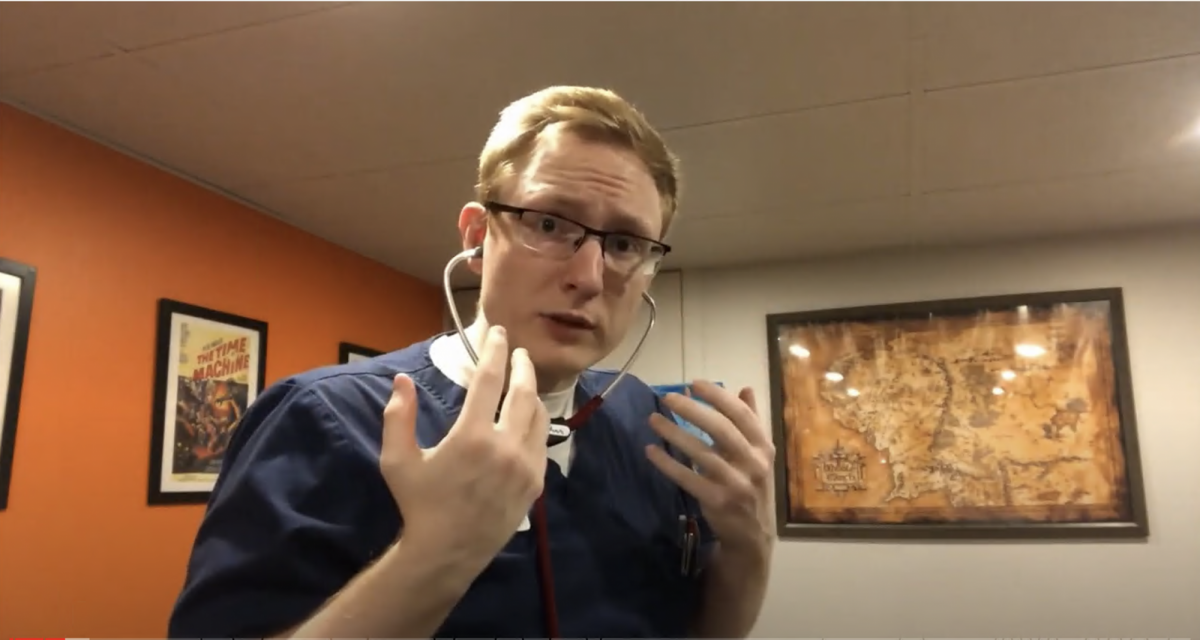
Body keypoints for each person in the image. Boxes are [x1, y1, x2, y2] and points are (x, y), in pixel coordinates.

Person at [166, 85, 777, 638]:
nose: (588, 277)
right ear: (477, 239)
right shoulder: (326, 419)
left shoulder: (648, 425)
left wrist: (750, 550)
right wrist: (436, 553)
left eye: (623, 244)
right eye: (548, 222)